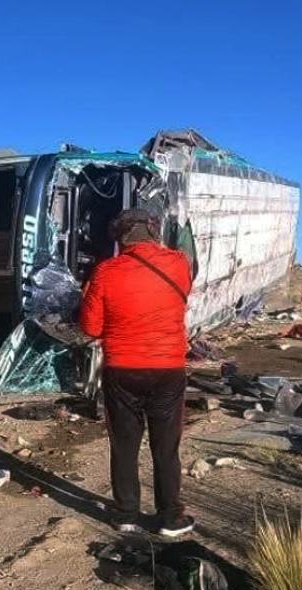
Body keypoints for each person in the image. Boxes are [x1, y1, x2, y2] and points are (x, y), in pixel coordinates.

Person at [80, 209, 195, 538]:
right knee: (166, 446)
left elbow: (90, 327)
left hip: (123, 371)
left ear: (120, 238)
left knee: (125, 445)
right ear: (154, 230)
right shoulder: (178, 264)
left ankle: (126, 514)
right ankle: (170, 517)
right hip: (168, 370)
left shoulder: (106, 272)